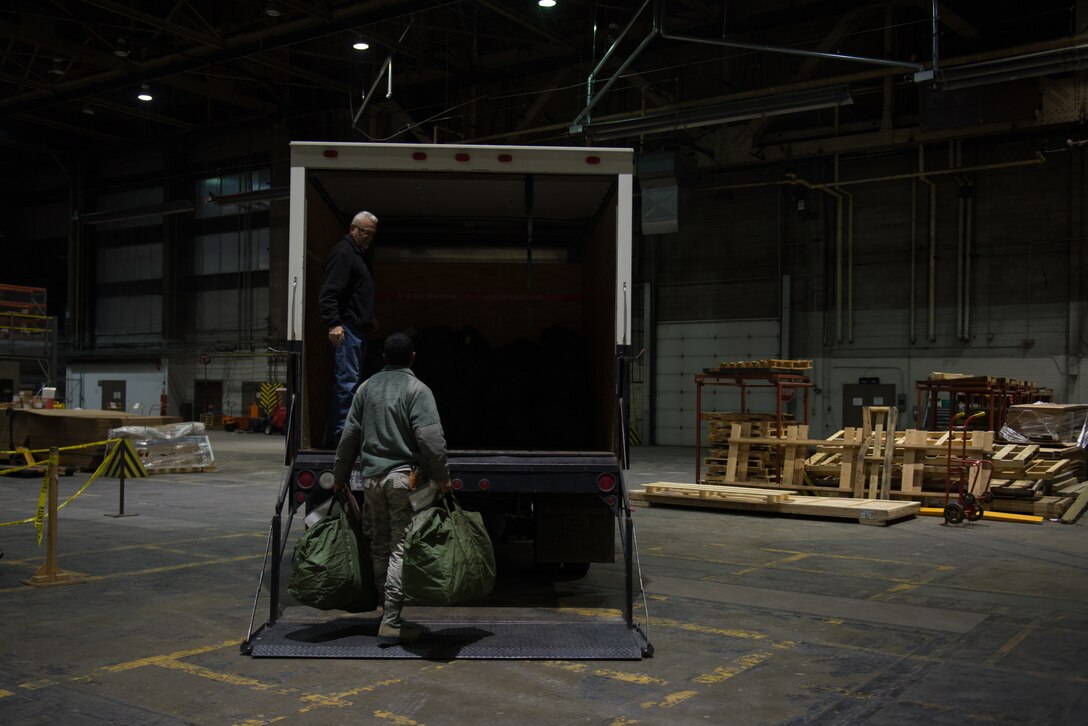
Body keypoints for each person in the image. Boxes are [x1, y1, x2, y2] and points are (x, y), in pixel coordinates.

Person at [333, 332, 452, 643]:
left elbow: (349, 437)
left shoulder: (365, 389)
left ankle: (384, 612)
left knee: (380, 546)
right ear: (412, 357)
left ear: (383, 357)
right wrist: (442, 476)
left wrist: (339, 475)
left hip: (371, 479)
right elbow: (430, 439)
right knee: (401, 546)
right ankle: (391, 622)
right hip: (404, 479)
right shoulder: (417, 390)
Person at [319, 210, 379, 446]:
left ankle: (338, 439)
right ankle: (340, 442)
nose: (368, 238)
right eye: (365, 232)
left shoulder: (359, 255)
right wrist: (333, 323)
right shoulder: (344, 253)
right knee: (347, 385)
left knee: (350, 385)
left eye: (372, 234)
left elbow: (355, 294)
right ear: (353, 229)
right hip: (347, 330)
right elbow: (329, 292)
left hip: (357, 329)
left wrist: (368, 319)